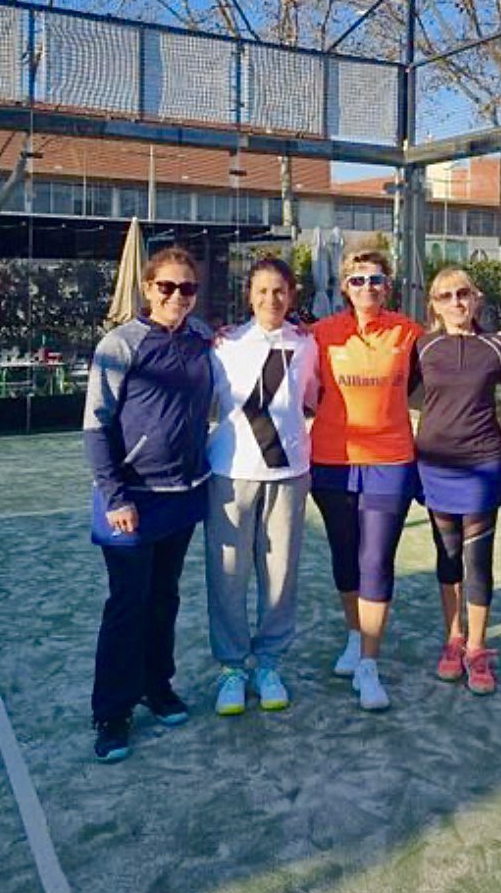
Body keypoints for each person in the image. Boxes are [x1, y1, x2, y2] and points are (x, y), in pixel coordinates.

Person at [84, 247, 213, 762]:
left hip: (181, 500)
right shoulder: (120, 344)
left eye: (187, 289)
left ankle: (156, 686)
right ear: (147, 288)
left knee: (164, 598)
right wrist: (115, 496)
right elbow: (96, 426)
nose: (177, 297)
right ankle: (112, 712)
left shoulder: (204, 340)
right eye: (167, 287)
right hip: (130, 502)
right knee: (126, 605)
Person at [310, 248, 423, 711]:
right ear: (344, 287)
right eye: (357, 281)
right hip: (332, 460)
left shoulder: (407, 331)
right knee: (345, 557)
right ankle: (355, 637)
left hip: (390, 461)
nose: (367, 289)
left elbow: (437, 364)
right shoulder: (320, 334)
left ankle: (369, 664)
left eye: (376, 280)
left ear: (388, 285)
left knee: (376, 559)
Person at [205, 258, 318, 717]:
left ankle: (269, 663)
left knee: (280, 579)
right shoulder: (223, 345)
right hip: (230, 475)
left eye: (280, 291)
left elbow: (310, 399)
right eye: (262, 291)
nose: (271, 299)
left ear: (291, 295)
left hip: (289, 476)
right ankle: (232, 668)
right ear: (249, 296)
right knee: (228, 577)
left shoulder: (308, 345)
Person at [415, 267, 501, 694]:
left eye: (463, 294)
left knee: (477, 560)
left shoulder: (498, 345)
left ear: (476, 298)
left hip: (483, 464)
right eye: (446, 296)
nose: (456, 302)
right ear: (434, 304)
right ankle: (453, 640)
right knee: (447, 556)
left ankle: (476, 647)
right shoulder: (422, 346)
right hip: (434, 466)